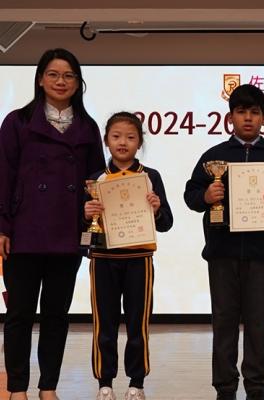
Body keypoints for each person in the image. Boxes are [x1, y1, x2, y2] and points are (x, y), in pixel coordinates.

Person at [184, 84, 264, 400]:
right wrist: (206, 196)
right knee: (223, 321)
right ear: (230, 117)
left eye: (254, 112)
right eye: (241, 112)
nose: (247, 118)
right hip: (221, 253)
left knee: (257, 323)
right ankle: (224, 387)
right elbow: (191, 195)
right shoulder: (213, 156)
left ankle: (256, 386)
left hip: (263, 254)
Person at [0, 48, 105, 400]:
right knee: (19, 314)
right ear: (40, 79)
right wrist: (2, 227)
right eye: (54, 74)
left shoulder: (88, 127)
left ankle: (48, 387)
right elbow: (3, 177)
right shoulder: (17, 122)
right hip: (23, 232)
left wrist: (91, 226)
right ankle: (17, 389)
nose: (61, 81)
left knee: (56, 315)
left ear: (78, 83)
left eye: (69, 76)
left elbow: (95, 182)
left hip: (67, 232)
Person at [83, 112, 173, 400]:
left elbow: (167, 222)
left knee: (138, 324)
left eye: (131, 137)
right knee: (104, 324)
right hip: (103, 259)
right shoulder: (95, 178)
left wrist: (156, 209)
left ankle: (137, 383)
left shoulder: (150, 177)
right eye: (116, 136)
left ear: (140, 143)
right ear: (106, 141)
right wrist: (86, 214)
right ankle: (104, 384)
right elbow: (82, 227)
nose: (123, 142)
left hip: (139, 259)